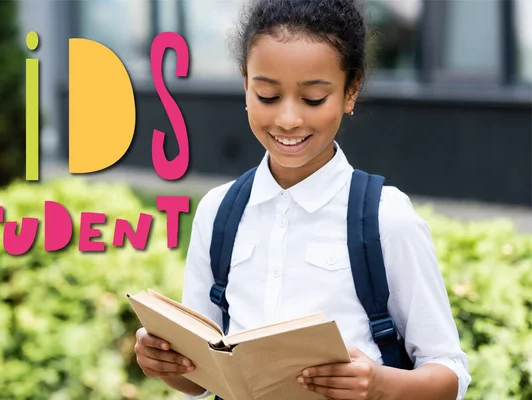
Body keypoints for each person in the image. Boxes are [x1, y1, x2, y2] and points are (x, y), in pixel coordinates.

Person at [134, 0, 472, 399]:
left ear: (351, 91)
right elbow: (203, 376)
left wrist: (380, 384)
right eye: (267, 95)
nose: (288, 119)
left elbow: (450, 374)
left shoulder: (385, 217)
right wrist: (167, 363)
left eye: (313, 99)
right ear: (245, 84)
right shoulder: (218, 211)